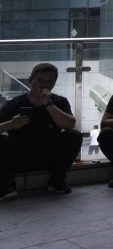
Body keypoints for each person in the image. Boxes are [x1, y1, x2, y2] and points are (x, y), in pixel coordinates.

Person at [0, 62, 81, 197]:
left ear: (53, 85)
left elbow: (69, 125)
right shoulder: (16, 103)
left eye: (49, 82)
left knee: (74, 135)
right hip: (20, 152)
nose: (43, 85)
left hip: (48, 152)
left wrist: (48, 104)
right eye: (40, 80)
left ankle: (57, 182)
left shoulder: (59, 102)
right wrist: (11, 124)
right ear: (31, 80)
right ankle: (6, 185)